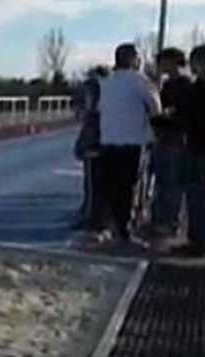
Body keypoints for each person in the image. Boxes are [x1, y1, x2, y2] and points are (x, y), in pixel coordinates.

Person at [95, 43, 161, 246]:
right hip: (132, 142)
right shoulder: (139, 80)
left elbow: (99, 109)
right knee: (128, 188)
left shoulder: (107, 82)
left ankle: (108, 227)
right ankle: (124, 231)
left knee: (111, 187)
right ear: (133, 59)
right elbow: (155, 107)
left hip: (108, 141)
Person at [148, 48, 192, 239]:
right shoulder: (167, 85)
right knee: (161, 179)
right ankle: (160, 219)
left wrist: (164, 118)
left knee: (173, 181)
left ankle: (170, 222)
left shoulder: (185, 84)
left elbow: (184, 115)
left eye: (164, 62)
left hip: (177, 137)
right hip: (164, 136)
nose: (161, 66)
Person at [174, 44, 205, 256]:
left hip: (197, 147)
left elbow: (187, 118)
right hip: (196, 145)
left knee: (196, 196)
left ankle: (198, 241)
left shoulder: (196, 90)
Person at [72, 65, 108, 231]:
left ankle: (93, 219)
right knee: (97, 183)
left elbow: (89, 112)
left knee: (93, 184)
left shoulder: (96, 90)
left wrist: (82, 146)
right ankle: (96, 217)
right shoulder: (110, 89)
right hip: (106, 141)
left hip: (96, 143)